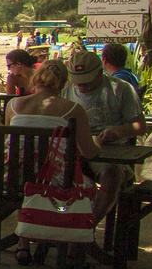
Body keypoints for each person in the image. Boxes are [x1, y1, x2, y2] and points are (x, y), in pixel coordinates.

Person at [8, 59, 101, 266]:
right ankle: (71, 247)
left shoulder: (12, 106)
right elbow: (89, 152)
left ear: (36, 79)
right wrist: (99, 141)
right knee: (87, 187)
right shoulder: (73, 110)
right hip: (53, 181)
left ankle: (23, 243)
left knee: (26, 179)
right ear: (64, 84)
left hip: (10, 178)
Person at [62, 48, 145, 232]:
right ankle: (53, 230)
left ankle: (86, 230)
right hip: (72, 152)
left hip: (109, 153)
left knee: (112, 175)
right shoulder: (66, 91)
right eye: (78, 81)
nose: (82, 86)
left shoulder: (120, 89)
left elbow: (140, 126)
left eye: (87, 80)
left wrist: (118, 131)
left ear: (100, 71)